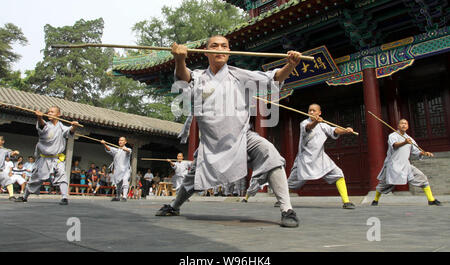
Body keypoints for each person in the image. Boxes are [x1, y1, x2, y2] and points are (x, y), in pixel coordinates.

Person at [155, 35, 303, 228]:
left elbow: (273, 78)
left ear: (229, 52)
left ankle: (287, 210)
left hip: (242, 137)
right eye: (214, 45)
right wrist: (180, 59)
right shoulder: (199, 76)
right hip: (211, 143)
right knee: (193, 177)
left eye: (224, 46)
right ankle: (174, 206)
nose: (220, 49)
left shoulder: (239, 75)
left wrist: (290, 65)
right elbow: (184, 78)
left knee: (270, 154)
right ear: (206, 51)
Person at [287, 103, 356, 209]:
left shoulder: (323, 125)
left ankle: (346, 201)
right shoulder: (304, 123)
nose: (311, 112)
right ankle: (282, 199)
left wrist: (345, 131)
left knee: (338, 174)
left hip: (320, 158)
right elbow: (308, 128)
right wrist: (315, 122)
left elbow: (334, 130)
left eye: (314, 110)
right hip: (305, 159)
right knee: (292, 183)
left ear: (319, 113)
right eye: (310, 110)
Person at [16, 107, 79, 205]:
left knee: (62, 175)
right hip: (44, 158)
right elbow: (42, 126)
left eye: (52, 112)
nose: (49, 113)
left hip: (57, 158)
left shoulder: (61, 127)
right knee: (36, 178)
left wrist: (74, 126)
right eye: (48, 111)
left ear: (58, 114)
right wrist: (39, 118)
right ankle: (24, 197)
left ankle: (64, 197)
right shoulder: (46, 125)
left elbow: (69, 131)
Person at [371, 119, 441, 206]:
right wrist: (404, 142)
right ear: (398, 126)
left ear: (407, 126)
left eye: (405, 124)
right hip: (393, 165)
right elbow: (395, 145)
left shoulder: (410, 139)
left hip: (406, 165)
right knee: (383, 184)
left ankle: (431, 199)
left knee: (422, 178)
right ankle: (375, 200)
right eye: (402, 123)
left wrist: (424, 153)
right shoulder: (393, 136)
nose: (404, 125)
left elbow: (416, 151)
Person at [102, 137, 132, 202]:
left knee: (125, 181)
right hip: (118, 170)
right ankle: (118, 197)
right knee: (118, 184)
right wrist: (104, 144)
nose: (120, 141)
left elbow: (129, 151)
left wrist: (125, 149)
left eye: (122, 140)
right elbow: (109, 148)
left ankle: (124, 196)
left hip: (126, 170)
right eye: (119, 140)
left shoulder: (128, 149)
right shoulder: (116, 150)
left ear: (125, 142)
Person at [0, 136, 20, 201]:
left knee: (8, 181)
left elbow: (11, 154)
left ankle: (11, 196)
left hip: (0, 171)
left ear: (2, 141)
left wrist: (14, 153)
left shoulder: (5, 150)